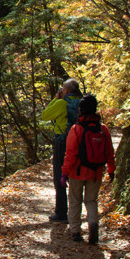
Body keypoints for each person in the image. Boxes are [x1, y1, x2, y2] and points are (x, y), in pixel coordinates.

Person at [61, 93, 115, 244]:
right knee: (91, 201)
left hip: (77, 172)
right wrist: (111, 169)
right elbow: (110, 152)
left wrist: (64, 173)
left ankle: (75, 232)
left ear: (81, 110)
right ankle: (93, 225)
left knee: (75, 201)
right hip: (96, 172)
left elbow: (70, 154)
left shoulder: (76, 129)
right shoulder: (103, 128)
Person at [40, 78, 82, 223]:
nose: (61, 91)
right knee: (75, 176)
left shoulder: (61, 103)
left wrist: (56, 99)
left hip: (62, 141)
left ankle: (61, 213)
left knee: (60, 176)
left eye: (63, 89)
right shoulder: (81, 102)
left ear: (67, 91)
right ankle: (75, 213)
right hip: (78, 141)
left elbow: (45, 115)